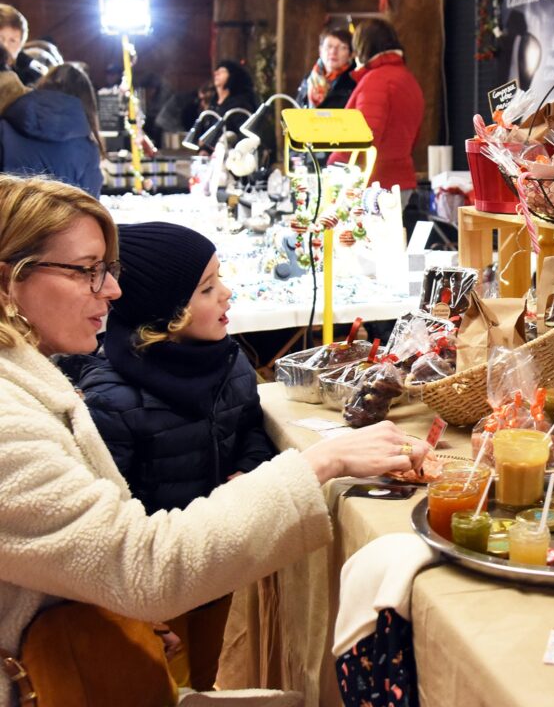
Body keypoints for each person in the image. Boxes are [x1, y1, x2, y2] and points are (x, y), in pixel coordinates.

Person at [0, 174, 428, 707]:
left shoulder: (36, 382)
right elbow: (144, 565)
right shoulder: (10, 422)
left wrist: (109, 604)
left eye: (108, 270)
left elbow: (81, 554)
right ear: (9, 279)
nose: (111, 289)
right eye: (88, 270)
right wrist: (319, 462)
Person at [71, 222, 275, 690]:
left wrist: (251, 467)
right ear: (166, 313)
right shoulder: (112, 400)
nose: (227, 294)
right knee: (159, 687)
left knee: (218, 676)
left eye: (220, 278)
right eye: (207, 289)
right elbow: (108, 517)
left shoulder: (230, 360)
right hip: (157, 591)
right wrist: (126, 606)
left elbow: (250, 428)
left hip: (221, 568)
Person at [328, 19, 424, 199]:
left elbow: (364, 138)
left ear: (362, 46)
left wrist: (335, 167)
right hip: (399, 181)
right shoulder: (408, 79)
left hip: (374, 186)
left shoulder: (376, 80)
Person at [0, 61, 104, 196]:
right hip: (64, 217)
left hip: (11, 215)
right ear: (88, 101)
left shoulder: (5, 126)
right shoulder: (88, 149)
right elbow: (91, 205)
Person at [295, 25, 357, 111]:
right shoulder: (309, 79)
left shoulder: (355, 81)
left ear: (351, 54)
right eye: (329, 46)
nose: (333, 52)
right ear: (320, 51)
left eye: (342, 47)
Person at [0, 4, 44, 86]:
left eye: (12, 41)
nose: (5, 45)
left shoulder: (30, 77)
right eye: (0, 39)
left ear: (21, 45)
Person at [211, 59, 257, 134]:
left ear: (232, 76)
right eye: (217, 71)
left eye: (222, 71)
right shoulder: (213, 103)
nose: (216, 73)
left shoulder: (239, 105)